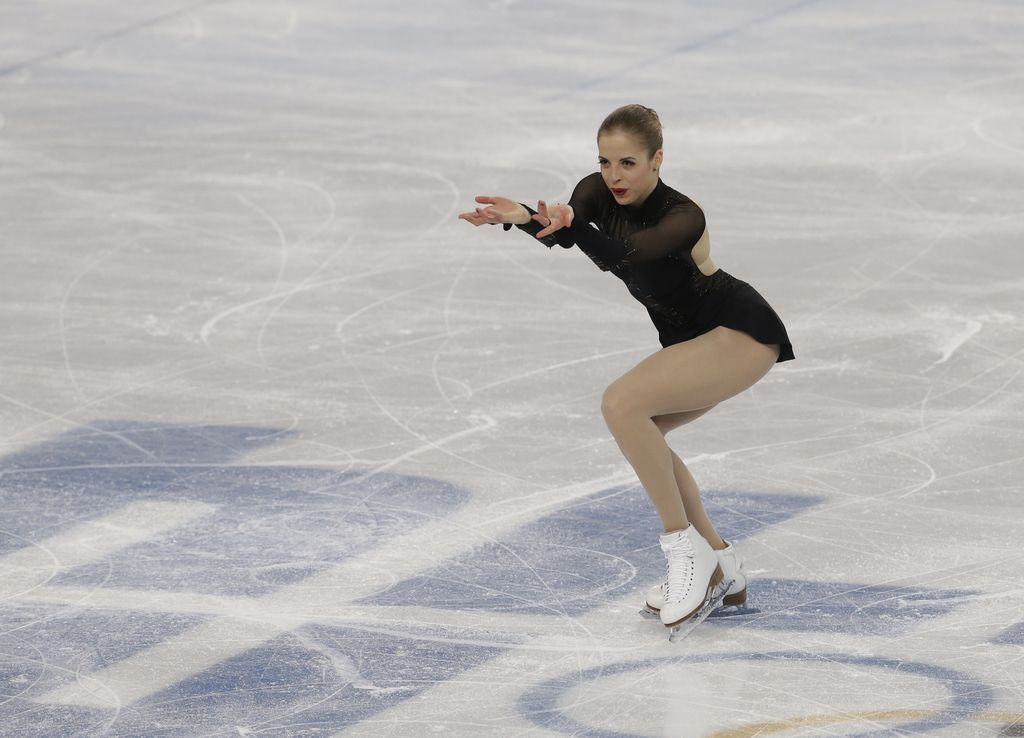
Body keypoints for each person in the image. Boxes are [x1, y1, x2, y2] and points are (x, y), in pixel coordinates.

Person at [459, 104, 794, 635]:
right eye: (606, 161)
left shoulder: (684, 216)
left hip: (738, 334)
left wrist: (560, 225)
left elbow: (625, 255)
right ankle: (720, 563)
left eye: (629, 163)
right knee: (646, 435)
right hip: (691, 341)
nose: (614, 175)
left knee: (622, 404)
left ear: (657, 160)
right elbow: (570, 228)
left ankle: (686, 554)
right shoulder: (595, 189)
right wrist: (530, 217)